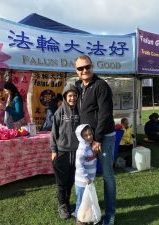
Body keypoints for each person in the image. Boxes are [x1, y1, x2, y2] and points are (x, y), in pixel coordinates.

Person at [75, 55, 116, 225]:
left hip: (103, 137)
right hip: (87, 139)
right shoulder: (79, 87)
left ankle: (110, 213)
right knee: (84, 175)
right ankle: (84, 211)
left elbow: (105, 114)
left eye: (87, 67)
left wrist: (97, 139)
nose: (84, 71)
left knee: (107, 176)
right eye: (80, 68)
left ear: (93, 67)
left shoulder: (101, 86)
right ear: (76, 71)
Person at [50, 84, 80, 220]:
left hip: (77, 152)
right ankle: (62, 205)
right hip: (62, 151)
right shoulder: (59, 112)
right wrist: (54, 150)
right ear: (65, 97)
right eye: (70, 96)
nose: (72, 98)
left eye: (74, 95)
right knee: (61, 181)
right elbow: (53, 133)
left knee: (71, 180)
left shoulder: (81, 111)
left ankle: (66, 201)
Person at [74, 124, 97, 225]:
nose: (89, 137)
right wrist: (86, 177)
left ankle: (86, 217)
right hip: (82, 181)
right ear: (81, 137)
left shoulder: (90, 146)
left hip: (89, 180)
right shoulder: (82, 148)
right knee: (81, 201)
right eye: (86, 135)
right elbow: (79, 165)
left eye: (90, 134)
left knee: (87, 201)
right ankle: (79, 220)